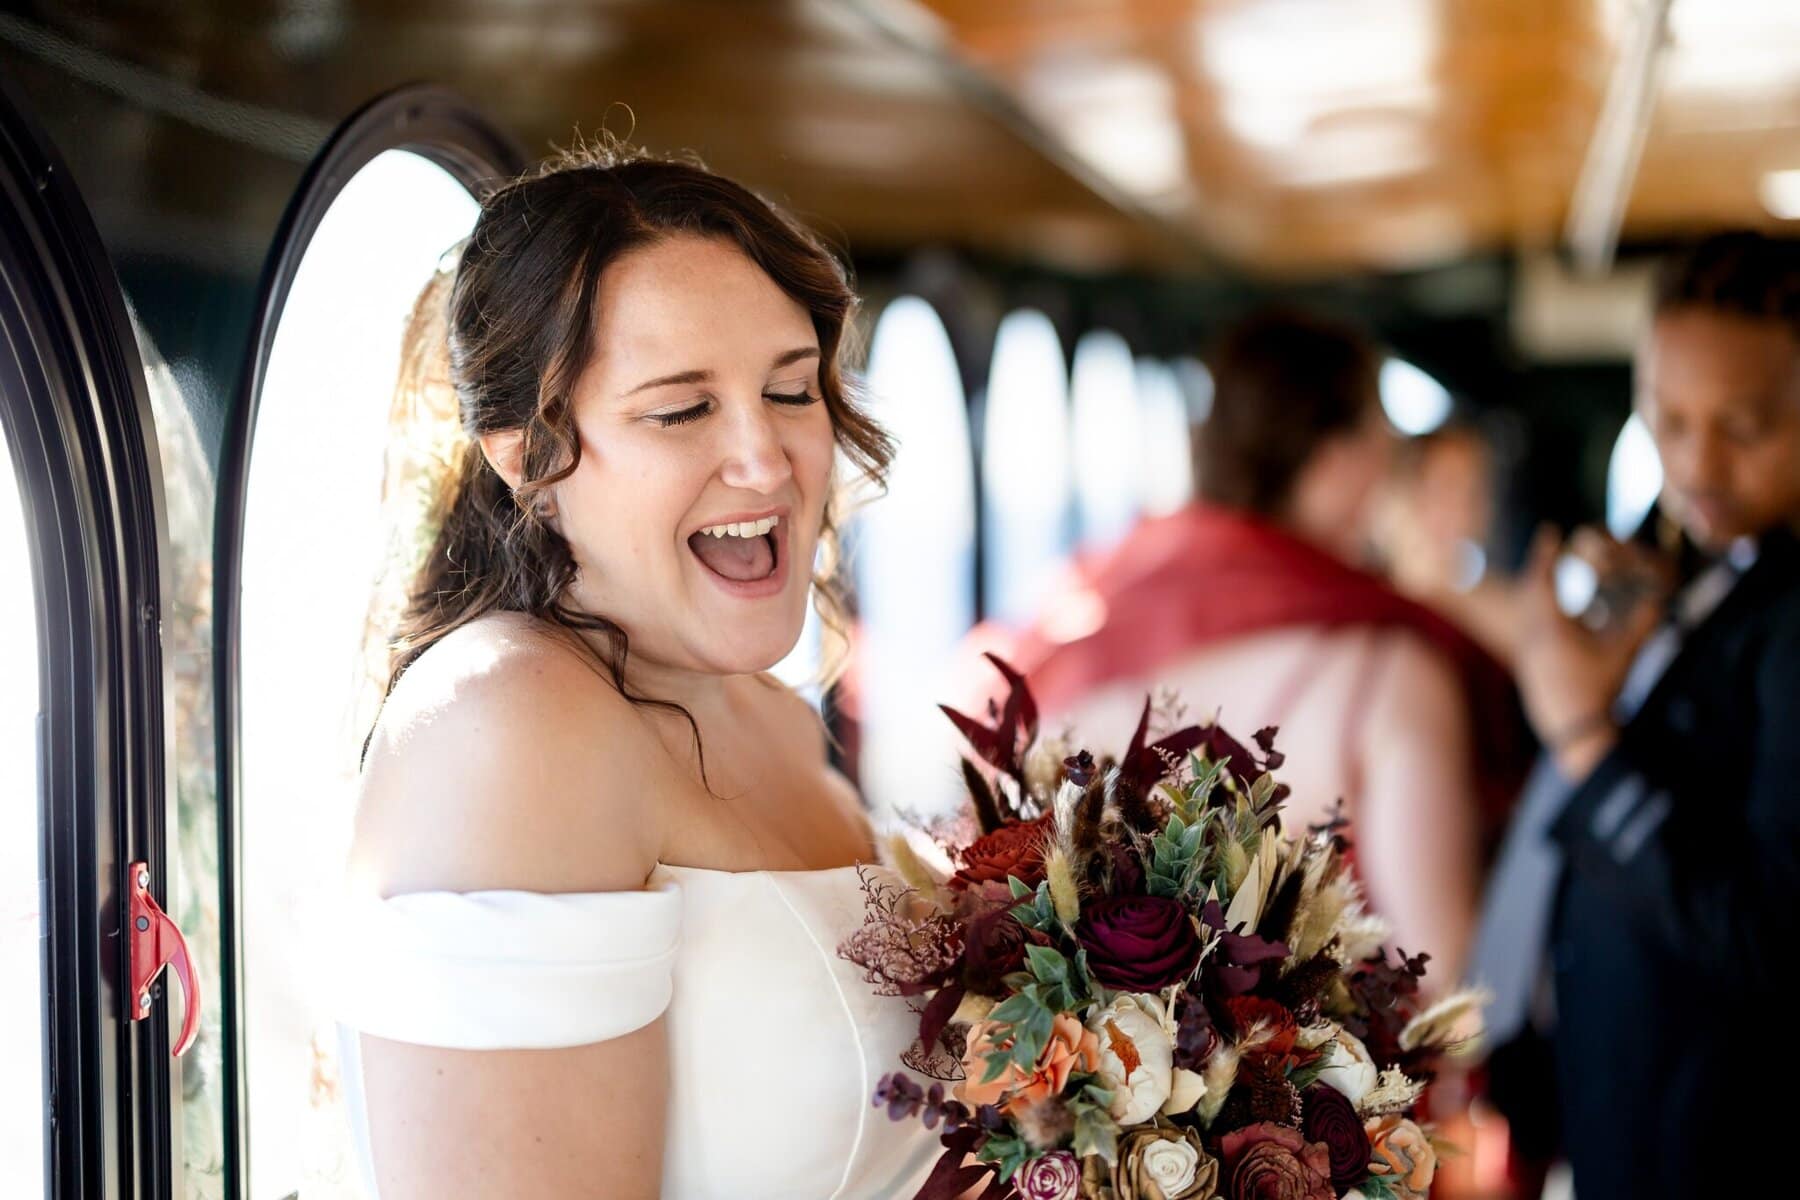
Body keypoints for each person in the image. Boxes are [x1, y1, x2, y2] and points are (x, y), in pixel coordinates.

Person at [333, 144, 943, 1198]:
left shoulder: (776, 719)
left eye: (792, 390)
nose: (767, 459)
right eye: (680, 410)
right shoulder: (511, 724)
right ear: (526, 456)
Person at [989, 310, 1522, 986]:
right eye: (1379, 436)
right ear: (1339, 461)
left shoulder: (1096, 614)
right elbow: (1445, 979)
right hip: (1331, 1081)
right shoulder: (1391, 671)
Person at [1473, 231, 1800, 1199]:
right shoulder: (1701, 573)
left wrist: (1584, 738)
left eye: (1744, 426)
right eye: (1666, 418)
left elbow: (1769, 937)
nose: (1696, 464)